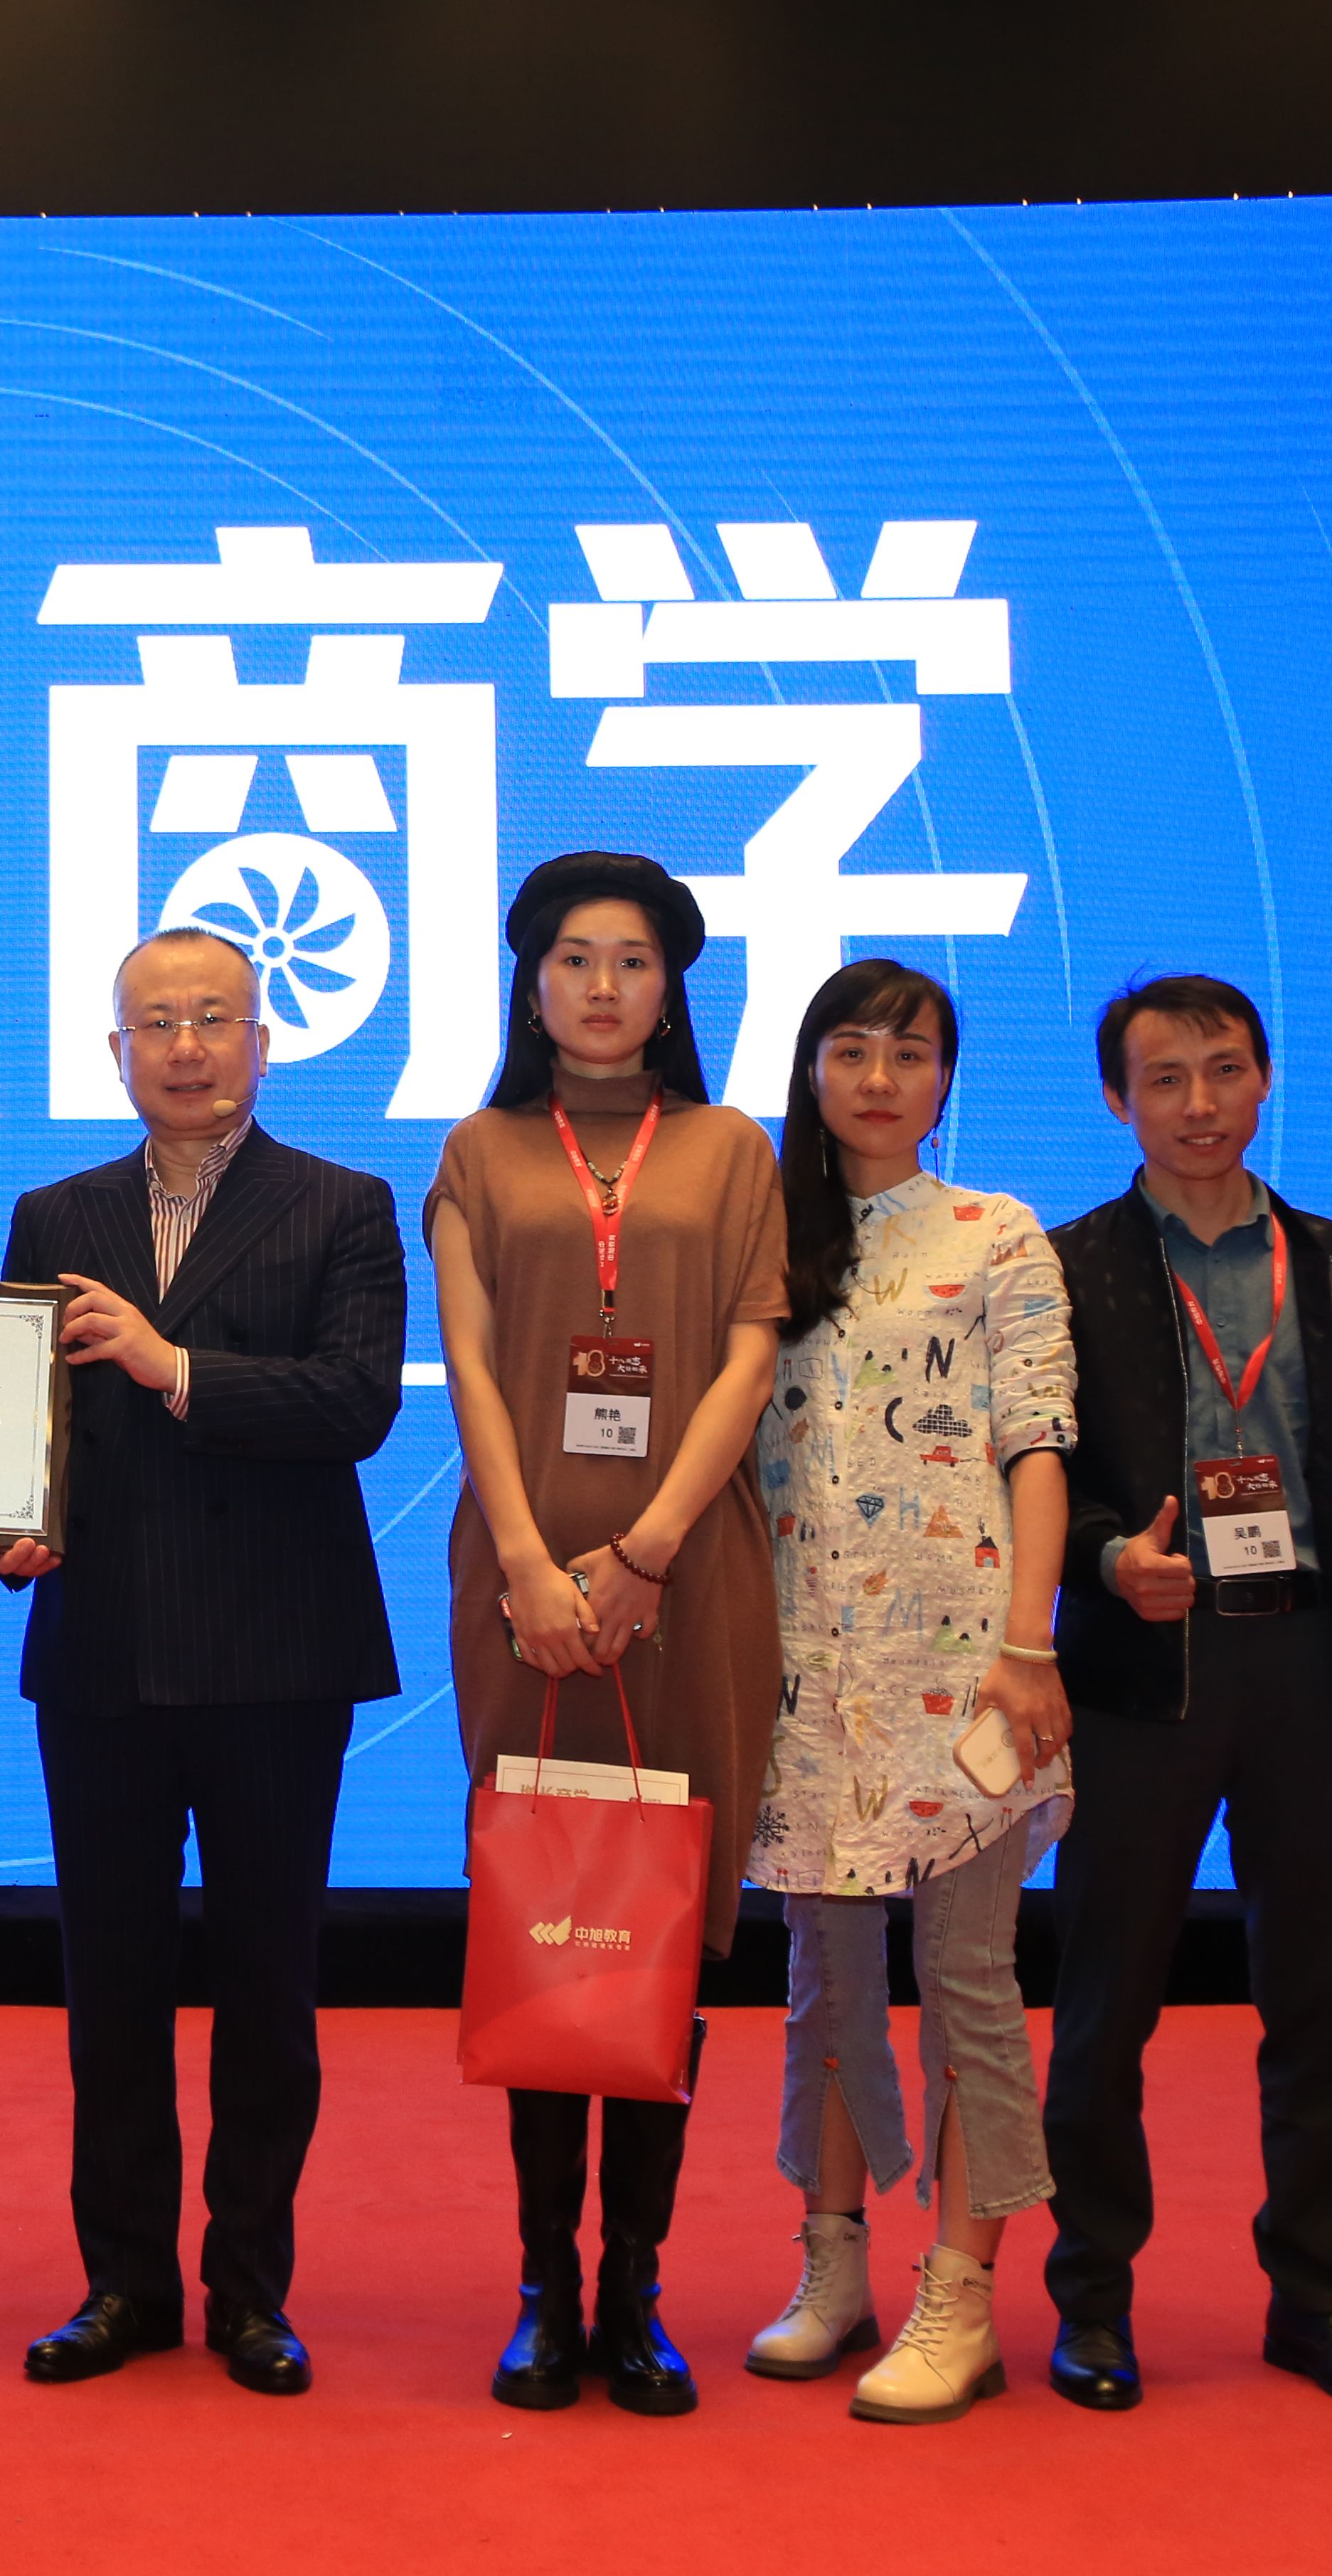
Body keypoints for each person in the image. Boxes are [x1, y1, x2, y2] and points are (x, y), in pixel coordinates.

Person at [3, 927, 405, 2399]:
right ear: (116, 1053)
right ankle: (120, 2284)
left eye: (213, 1019)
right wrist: (11, 1518)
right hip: (102, 1649)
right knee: (109, 1991)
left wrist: (165, 1363)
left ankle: (250, 2290)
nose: (186, 1046)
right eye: (156, 1023)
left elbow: (353, 1404)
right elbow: (29, 1425)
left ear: (263, 1042)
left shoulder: (343, 1205)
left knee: (266, 1988)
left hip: (276, 1654)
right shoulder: (58, 1211)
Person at [1040, 974, 1332, 2418]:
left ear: (1266, 1079)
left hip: (1310, 1665)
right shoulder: (1068, 1267)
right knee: (1106, 2005)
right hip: (1145, 1666)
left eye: (1223, 1071)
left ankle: (1319, 2299)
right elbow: (1036, 1475)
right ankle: (1093, 2301)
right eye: (1165, 1079)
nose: (1198, 1104)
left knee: (1317, 2002)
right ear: (1118, 1102)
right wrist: (1107, 1561)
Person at [427, 852, 783, 2416]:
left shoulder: (731, 1146)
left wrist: (645, 1553)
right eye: (573, 958)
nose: (601, 987)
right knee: (546, 1911)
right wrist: (526, 1560)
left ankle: (635, 2289)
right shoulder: (479, 1150)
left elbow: (752, 1356)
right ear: (531, 984)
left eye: (633, 961)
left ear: (671, 988)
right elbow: (471, 1363)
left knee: (663, 1919)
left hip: (691, 1578)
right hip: (519, 1586)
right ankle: (542, 2291)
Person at [743, 959, 1080, 2425]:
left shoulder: (997, 1233)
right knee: (824, 1983)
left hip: (967, 1671)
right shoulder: (761, 1236)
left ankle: (963, 2292)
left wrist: (1031, 1641)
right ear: (810, 1068)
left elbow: (1039, 1443)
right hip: (802, 1672)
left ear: (947, 1078)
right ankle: (833, 2265)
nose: (881, 1079)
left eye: (913, 1052)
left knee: (969, 1979)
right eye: (852, 1050)